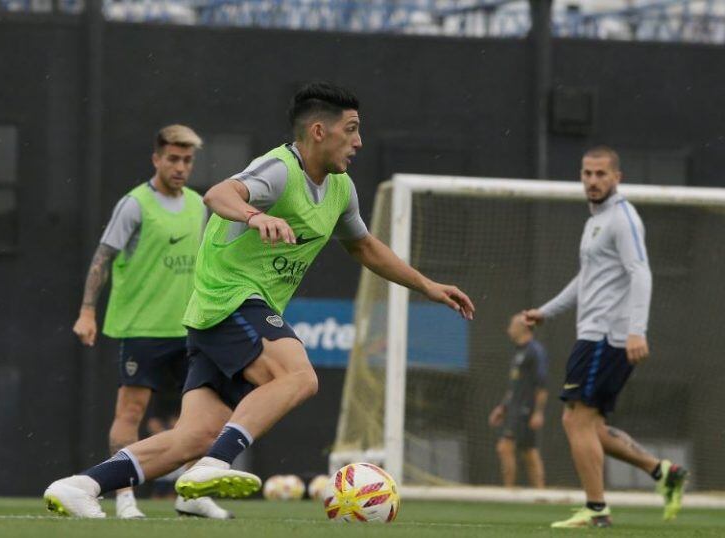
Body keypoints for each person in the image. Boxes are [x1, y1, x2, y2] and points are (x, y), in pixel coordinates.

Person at [45, 81, 475, 518]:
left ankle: (81, 485)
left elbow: (364, 246)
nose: (359, 142)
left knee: (193, 436)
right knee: (300, 376)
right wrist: (255, 216)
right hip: (228, 298)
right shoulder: (279, 169)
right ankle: (214, 464)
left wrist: (427, 286)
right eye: (352, 129)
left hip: (220, 314)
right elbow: (218, 195)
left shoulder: (341, 189)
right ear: (319, 131)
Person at [69, 125, 230, 519]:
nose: (180, 167)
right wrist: (87, 311)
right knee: (130, 415)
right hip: (142, 328)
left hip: (190, 327)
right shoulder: (135, 204)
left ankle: (190, 494)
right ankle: (124, 498)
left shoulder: (198, 204)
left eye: (187, 160)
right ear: (157, 159)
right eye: (172, 159)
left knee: (204, 417)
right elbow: (102, 258)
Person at [523, 146, 687, 528]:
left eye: (601, 174)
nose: (593, 181)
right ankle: (663, 472)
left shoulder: (622, 218)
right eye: (587, 174)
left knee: (574, 421)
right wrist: (546, 311)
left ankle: (597, 511)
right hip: (594, 335)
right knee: (590, 425)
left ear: (617, 178)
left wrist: (636, 331)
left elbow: (640, 273)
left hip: (606, 337)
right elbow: (587, 279)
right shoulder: (595, 221)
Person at [488, 313, 548, 489]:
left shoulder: (535, 351)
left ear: (523, 328)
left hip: (525, 410)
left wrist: (538, 412)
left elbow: (542, 385)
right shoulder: (518, 352)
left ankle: (509, 492)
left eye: (512, 325)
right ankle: (540, 491)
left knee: (505, 447)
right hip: (514, 409)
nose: (509, 329)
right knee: (529, 452)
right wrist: (502, 408)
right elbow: (514, 387)